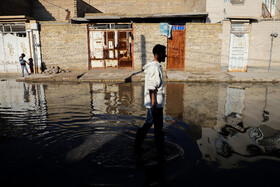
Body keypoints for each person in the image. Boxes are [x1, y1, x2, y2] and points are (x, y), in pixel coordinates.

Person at [134, 44, 166, 162]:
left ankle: (160, 150)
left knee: (158, 127)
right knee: (151, 124)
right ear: (157, 54)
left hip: (156, 104)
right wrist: (154, 106)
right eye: (163, 53)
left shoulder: (156, 66)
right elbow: (152, 88)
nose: (165, 55)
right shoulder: (154, 68)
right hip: (155, 105)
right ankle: (138, 146)